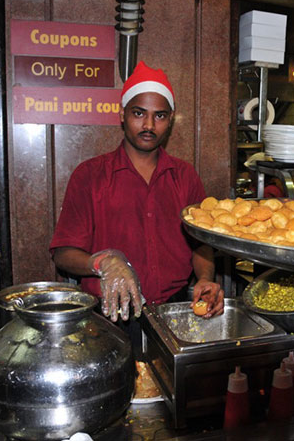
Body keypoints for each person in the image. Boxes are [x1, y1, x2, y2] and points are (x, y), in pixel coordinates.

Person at [50, 61, 224, 328]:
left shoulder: (184, 175)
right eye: (139, 113)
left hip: (175, 312)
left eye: (160, 116)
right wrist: (103, 262)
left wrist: (204, 278)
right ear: (122, 115)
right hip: (109, 316)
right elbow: (63, 253)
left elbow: (200, 243)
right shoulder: (90, 175)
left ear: (171, 119)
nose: (149, 125)